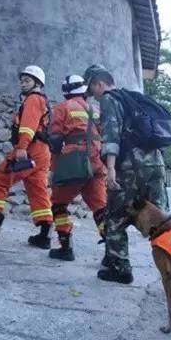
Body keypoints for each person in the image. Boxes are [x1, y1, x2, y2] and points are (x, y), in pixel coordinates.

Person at [84, 64, 168, 284]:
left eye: (92, 90)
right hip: (155, 164)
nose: (93, 95)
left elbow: (111, 135)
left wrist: (110, 168)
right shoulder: (133, 97)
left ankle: (120, 269)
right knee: (162, 220)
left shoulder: (109, 100)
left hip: (130, 167)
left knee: (115, 218)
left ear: (99, 84)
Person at [0, 66, 53, 246]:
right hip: (43, 152)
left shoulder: (33, 99)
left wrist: (22, 147)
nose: (23, 84)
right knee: (38, 190)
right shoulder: (42, 101)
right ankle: (44, 236)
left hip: (29, 149)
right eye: (22, 80)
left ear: (37, 83)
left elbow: (28, 126)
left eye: (27, 80)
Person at [47, 74, 107, 261]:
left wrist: (53, 170)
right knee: (100, 208)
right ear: (84, 91)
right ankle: (114, 252)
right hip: (97, 162)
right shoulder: (95, 109)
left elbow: (55, 142)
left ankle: (65, 247)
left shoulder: (63, 107)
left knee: (58, 204)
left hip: (75, 162)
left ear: (65, 92)